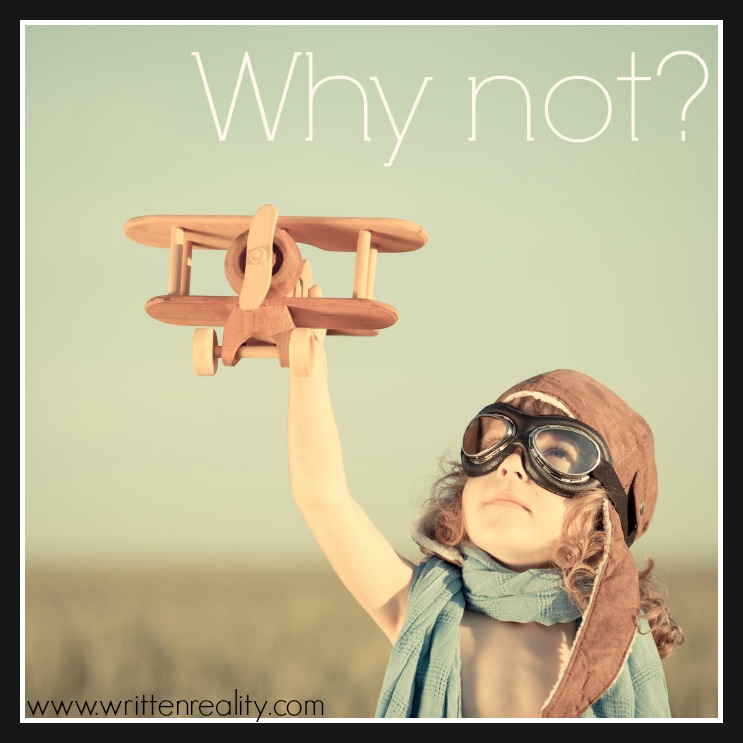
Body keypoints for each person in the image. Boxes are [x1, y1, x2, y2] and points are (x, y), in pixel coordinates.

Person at [287, 306, 683, 719]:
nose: (510, 464)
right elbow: (322, 495)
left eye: (558, 453)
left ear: (603, 519)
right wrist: (305, 362)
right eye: (493, 445)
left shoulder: (614, 644)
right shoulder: (424, 607)